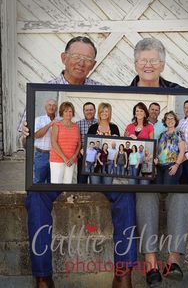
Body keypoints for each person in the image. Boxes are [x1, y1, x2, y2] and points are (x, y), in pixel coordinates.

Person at [21, 36, 136, 288]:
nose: (81, 63)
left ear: (93, 64)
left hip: (93, 163)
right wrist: (28, 136)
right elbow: (25, 141)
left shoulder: (101, 90)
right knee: (36, 195)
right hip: (60, 162)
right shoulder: (43, 89)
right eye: (76, 57)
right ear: (64, 58)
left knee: (125, 191)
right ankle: (43, 276)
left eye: (87, 59)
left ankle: (123, 273)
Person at [131, 37, 188, 287]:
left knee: (183, 191)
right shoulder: (125, 94)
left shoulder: (179, 93)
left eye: (154, 60)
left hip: (172, 160)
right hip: (147, 164)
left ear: (163, 63)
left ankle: (173, 260)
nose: (149, 65)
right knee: (144, 191)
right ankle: (150, 263)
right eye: (143, 60)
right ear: (136, 64)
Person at [88, 102, 137, 288]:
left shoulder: (114, 127)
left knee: (118, 191)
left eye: (107, 110)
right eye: (103, 110)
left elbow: (117, 146)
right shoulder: (93, 126)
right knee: (96, 183)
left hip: (108, 164)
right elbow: (90, 145)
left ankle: (123, 272)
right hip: (95, 164)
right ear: (99, 112)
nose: (105, 113)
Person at [50, 101, 80, 183]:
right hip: (57, 159)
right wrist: (65, 158)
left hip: (71, 161)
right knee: (56, 183)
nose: (68, 113)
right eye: (65, 111)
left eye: (70, 111)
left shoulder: (76, 126)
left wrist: (73, 158)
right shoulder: (57, 125)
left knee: (68, 183)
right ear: (62, 112)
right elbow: (54, 142)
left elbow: (79, 144)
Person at [125, 102, 154, 185]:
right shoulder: (129, 126)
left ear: (145, 113)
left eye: (141, 111)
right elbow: (125, 142)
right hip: (133, 161)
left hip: (144, 161)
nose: (139, 113)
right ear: (134, 113)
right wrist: (129, 137)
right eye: (137, 111)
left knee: (144, 184)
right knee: (131, 183)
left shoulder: (149, 127)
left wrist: (137, 139)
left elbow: (151, 144)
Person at [156, 111, 185, 185]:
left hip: (171, 165)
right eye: (168, 119)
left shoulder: (179, 134)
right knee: (158, 188)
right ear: (165, 121)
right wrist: (156, 159)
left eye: (172, 119)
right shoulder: (162, 135)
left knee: (167, 189)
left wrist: (176, 165)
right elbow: (158, 150)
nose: (170, 121)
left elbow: (182, 151)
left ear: (175, 121)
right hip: (159, 166)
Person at [33, 99, 57, 184]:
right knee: (38, 181)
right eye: (49, 105)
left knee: (53, 182)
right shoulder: (38, 120)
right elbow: (36, 135)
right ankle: (35, 197)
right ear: (45, 107)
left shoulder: (60, 120)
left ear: (56, 107)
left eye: (54, 105)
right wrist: (49, 124)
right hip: (41, 155)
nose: (51, 107)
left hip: (56, 156)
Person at [77, 102, 97, 183]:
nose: (89, 112)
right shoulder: (78, 124)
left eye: (91, 110)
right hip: (82, 156)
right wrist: (78, 152)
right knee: (81, 181)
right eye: (87, 110)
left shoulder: (100, 123)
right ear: (83, 111)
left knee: (94, 181)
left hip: (95, 157)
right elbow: (76, 141)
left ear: (95, 111)